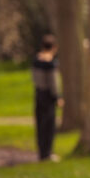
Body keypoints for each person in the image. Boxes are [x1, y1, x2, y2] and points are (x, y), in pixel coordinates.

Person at [31, 34, 63, 162]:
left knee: (40, 123)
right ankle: (47, 153)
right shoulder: (51, 63)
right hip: (49, 95)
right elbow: (53, 82)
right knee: (49, 124)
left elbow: (33, 77)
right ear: (54, 47)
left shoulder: (36, 60)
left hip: (38, 93)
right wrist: (58, 97)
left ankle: (41, 151)